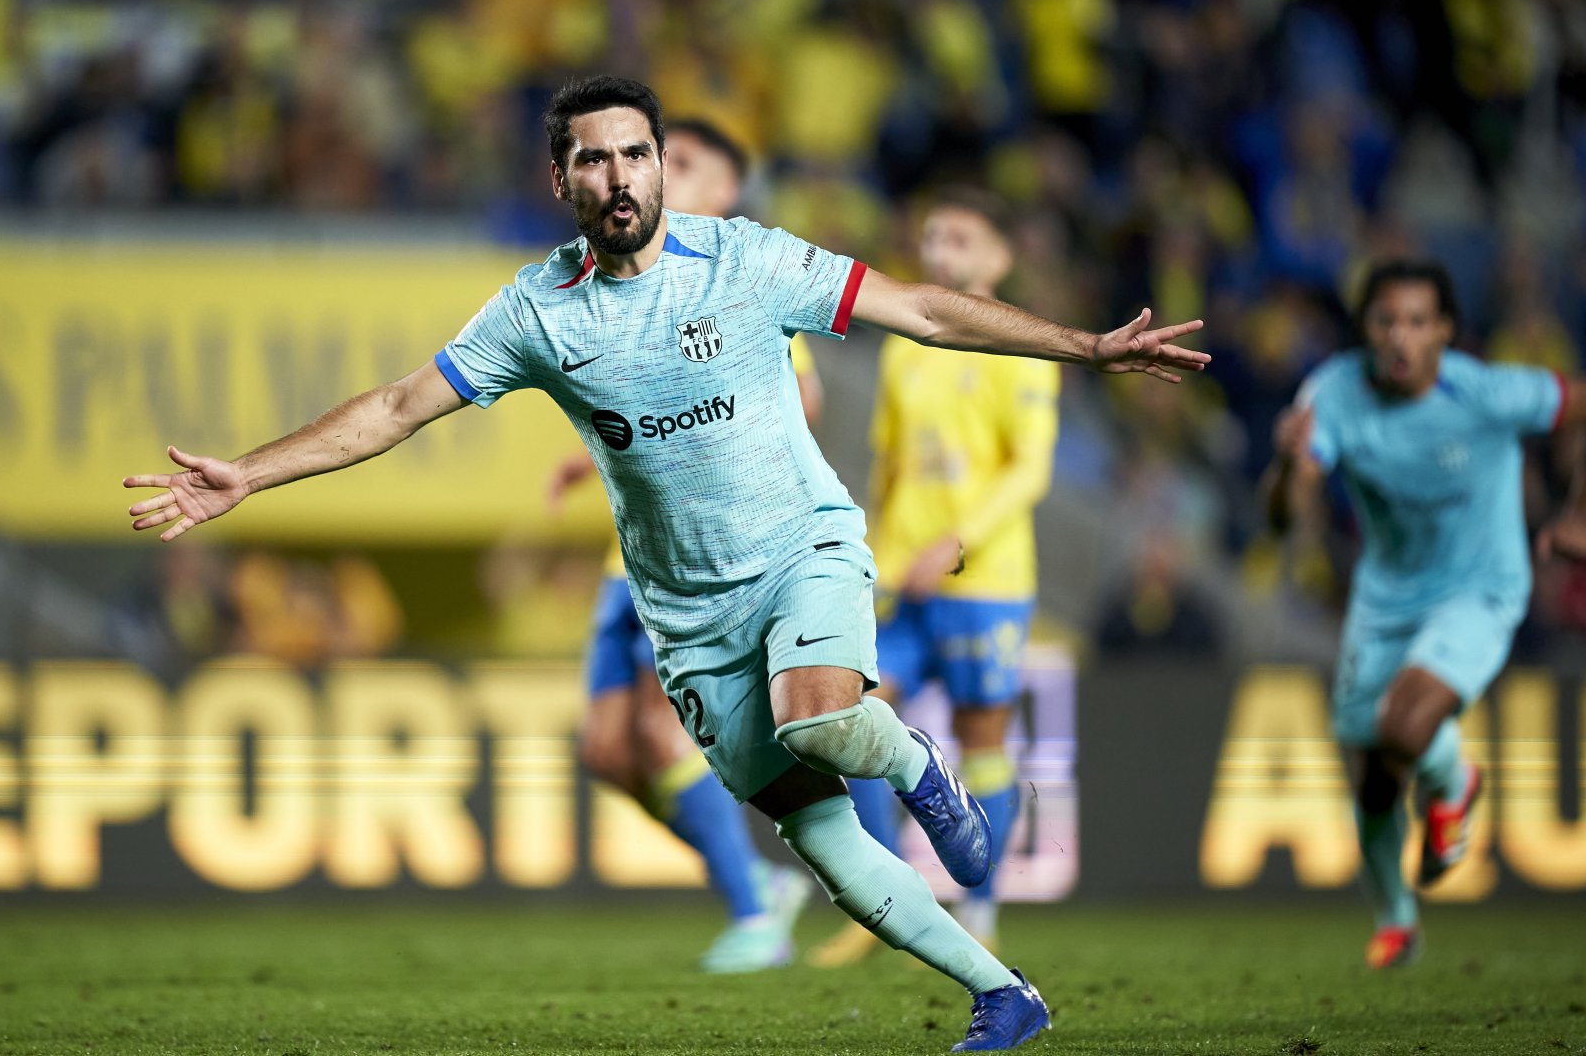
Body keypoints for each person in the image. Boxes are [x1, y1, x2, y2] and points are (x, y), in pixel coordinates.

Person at [126, 76, 1206, 1051]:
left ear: (656, 163)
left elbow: (919, 309)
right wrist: (251, 476)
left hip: (802, 550)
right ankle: (1002, 994)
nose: (619, 175)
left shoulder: (743, 259)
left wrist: (1084, 345)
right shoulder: (537, 311)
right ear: (561, 180)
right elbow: (400, 408)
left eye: (635, 152)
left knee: (819, 713)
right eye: (592, 158)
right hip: (688, 616)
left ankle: (920, 767)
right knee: (825, 845)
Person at [546, 118, 818, 974]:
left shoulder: (738, 278)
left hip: (695, 568)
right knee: (603, 751)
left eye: (676, 162)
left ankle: (754, 916)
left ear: (724, 191)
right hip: (620, 565)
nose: (645, 174)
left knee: (665, 741)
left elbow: (802, 397)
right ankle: (759, 883)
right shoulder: (625, 283)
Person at [1262, 258, 1586, 969]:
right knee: (1376, 774)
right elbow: (1285, 518)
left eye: (1417, 321)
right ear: (1366, 331)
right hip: (1385, 597)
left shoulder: (1490, 392)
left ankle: (1455, 782)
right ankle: (1397, 918)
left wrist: (1577, 511)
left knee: (1404, 725)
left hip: (1482, 586)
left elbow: (1578, 405)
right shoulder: (1335, 394)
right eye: (1385, 321)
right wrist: (1289, 468)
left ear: (1444, 331)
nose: (1400, 337)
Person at [811, 189, 1058, 966]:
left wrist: (955, 542)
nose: (941, 249)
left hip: (984, 581)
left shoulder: (1018, 346)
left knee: (983, 744)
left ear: (998, 258)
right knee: (851, 723)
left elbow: (1031, 472)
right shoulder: (903, 344)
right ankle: (883, 902)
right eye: (932, 236)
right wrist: (874, 553)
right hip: (903, 580)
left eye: (961, 238)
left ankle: (978, 912)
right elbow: (889, 466)